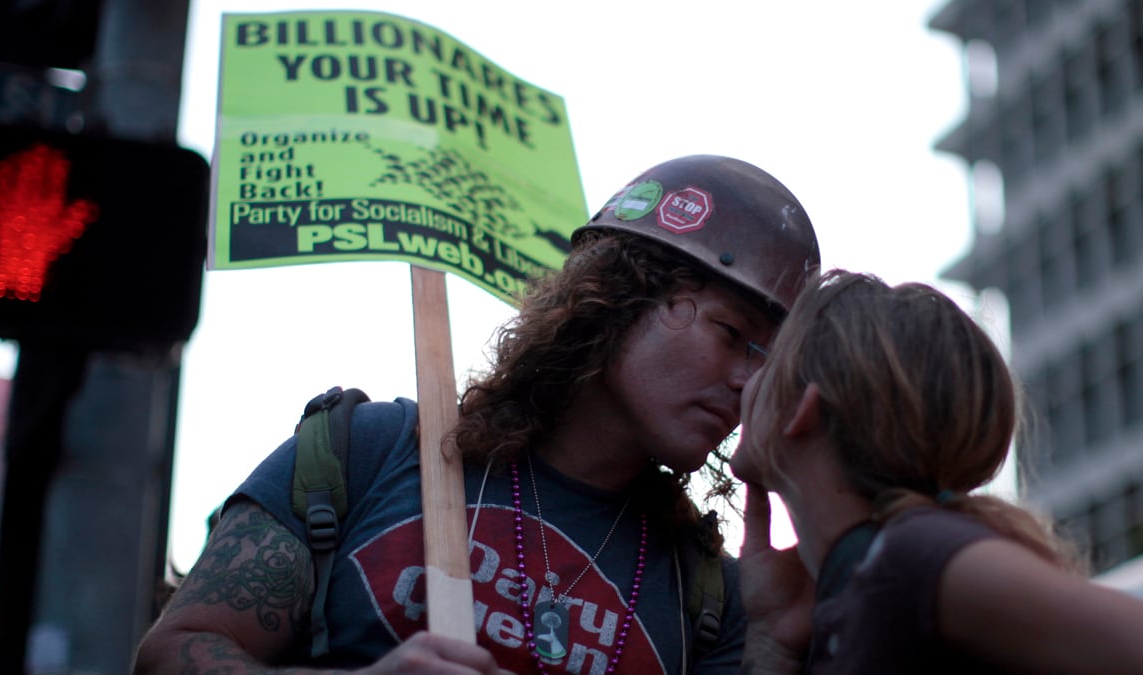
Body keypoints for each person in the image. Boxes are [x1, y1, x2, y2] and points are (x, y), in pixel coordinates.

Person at [132, 154, 822, 673]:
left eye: (770, 362)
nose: (747, 383)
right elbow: (171, 653)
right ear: (619, 297)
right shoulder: (365, 452)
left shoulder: (710, 591)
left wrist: (773, 645)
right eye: (732, 335)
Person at [730, 269, 1143, 674]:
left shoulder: (912, 557)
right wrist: (772, 642)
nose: (744, 380)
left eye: (768, 359)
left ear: (804, 407)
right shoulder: (861, 589)